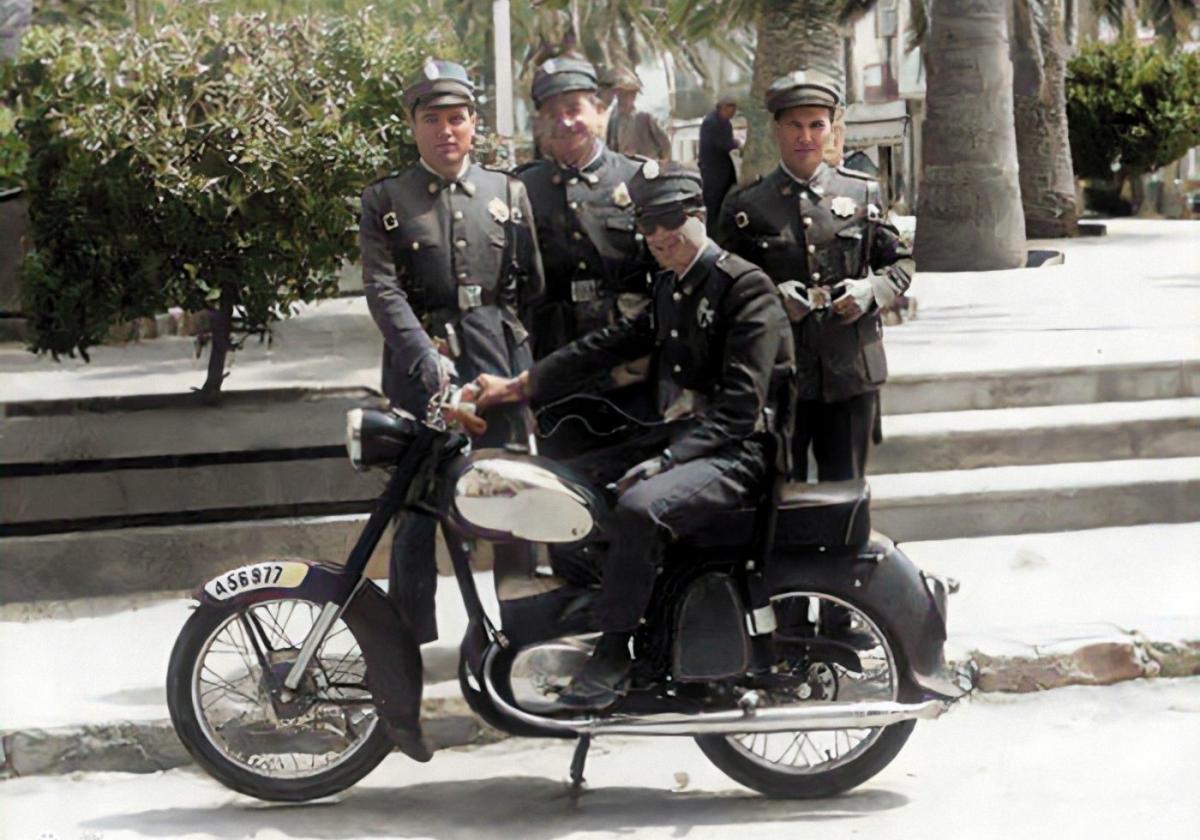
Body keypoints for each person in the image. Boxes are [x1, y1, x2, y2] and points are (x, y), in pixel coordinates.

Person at [472, 162, 793, 709]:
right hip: (695, 440)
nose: (660, 237)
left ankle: (617, 652)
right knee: (565, 485)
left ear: (698, 216)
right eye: (648, 225)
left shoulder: (745, 288)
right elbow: (607, 345)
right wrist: (521, 385)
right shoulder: (673, 286)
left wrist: (666, 461)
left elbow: (739, 413)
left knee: (641, 509)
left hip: (740, 451)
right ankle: (606, 615)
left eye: (672, 222)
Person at [359, 59, 544, 646]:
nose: (446, 131)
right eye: (432, 119)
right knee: (415, 506)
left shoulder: (507, 191)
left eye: (457, 119)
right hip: (422, 368)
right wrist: (422, 354)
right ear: (413, 125)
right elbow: (382, 289)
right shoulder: (387, 198)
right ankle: (406, 642)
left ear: (474, 125)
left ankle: (520, 635)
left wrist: (511, 358)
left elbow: (528, 283)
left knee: (512, 496)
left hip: (496, 363)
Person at [717, 69, 913, 482]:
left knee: (846, 492)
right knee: (779, 495)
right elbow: (724, 288)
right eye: (794, 125)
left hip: (850, 370)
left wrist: (871, 289)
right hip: (781, 377)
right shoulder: (747, 207)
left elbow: (901, 263)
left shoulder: (862, 194)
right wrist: (770, 297)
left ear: (831, 129)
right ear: (776, 130)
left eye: (816, 125)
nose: (805, 136)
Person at [515, 57, 660, 455]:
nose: (565, 123)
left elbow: (669, 277)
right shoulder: (521, 189)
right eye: (552, 114)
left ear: (599, 110)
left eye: (574, 110)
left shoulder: (639, 180)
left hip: (631, 366)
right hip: (555, 361)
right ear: (539, 123)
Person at [698, 94, 742, 234]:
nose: (733, 112)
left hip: (723, 169)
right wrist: (738, 144)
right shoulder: (712, 122)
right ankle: (711, 233)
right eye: (731, 108)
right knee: (714, 203)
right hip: (713, 171)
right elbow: (722, 144)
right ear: (723, 107)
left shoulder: (725, 123)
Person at [606, 68, 671, 160]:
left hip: (646, 167)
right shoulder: (612, 118)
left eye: (631, 93)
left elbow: (664, 143)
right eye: (622, 93)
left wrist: (663, 164)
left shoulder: (645, 116)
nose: (626, 98)